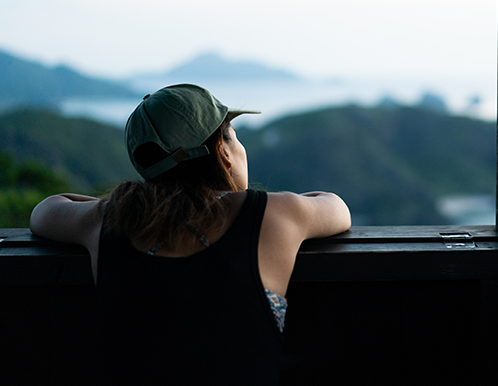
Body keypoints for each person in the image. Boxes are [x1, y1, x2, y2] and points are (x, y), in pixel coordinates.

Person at [29, 83, 351, 385]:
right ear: (223, 152)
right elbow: (335, 207)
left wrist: (122, 204)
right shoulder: (275, 214)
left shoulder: (108, 219)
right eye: (234, 138)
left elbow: (46, 210)